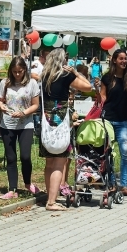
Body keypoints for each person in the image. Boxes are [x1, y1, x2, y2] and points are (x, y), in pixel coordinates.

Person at [39, 48, 91, 211]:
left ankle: (50, 196)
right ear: (62, 61)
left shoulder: (44, 76)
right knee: (59, 162)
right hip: (61, 119)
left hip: (46, 119)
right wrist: (75, 72)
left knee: (49, 162)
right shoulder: (65, 75)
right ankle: (52, 202)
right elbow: (88, 86)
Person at [0, 57, 40, 199]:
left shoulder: (32, 83)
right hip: (7, 124)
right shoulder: (5, 83)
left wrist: (23, 113)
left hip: (25, 123)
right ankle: (12, 189)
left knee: (25, 156)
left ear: (25, 70)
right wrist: (1, 105)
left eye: (20, 71)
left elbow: (35, 105)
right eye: (14, 72)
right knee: (11, 157)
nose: (17, 75)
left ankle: (27, 182)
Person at [98, 48, 127, 197]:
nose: (124, 61)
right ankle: (111, 184)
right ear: (114, 60)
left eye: (125, 58)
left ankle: (124, 185)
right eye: (120, 58)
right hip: (107, 120)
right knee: (107, 153)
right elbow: (102, 97)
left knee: (126, 152)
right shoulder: (107, 78)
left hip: (123, 121)